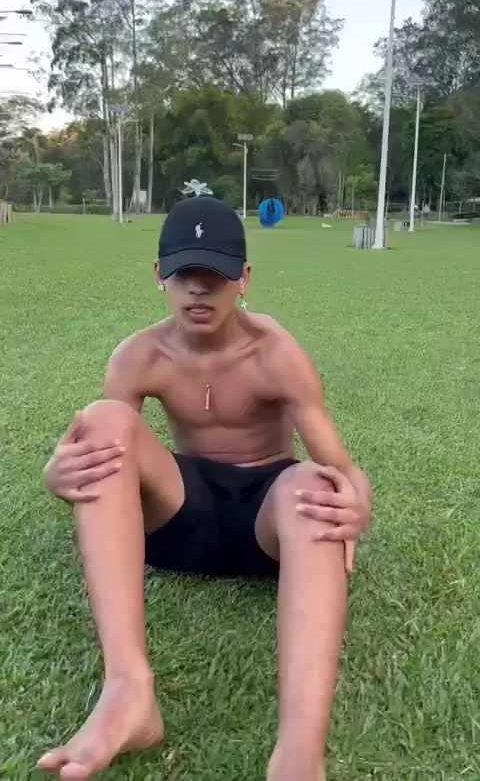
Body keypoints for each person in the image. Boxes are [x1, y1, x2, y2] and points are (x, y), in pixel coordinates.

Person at [38, 197, 372, 781]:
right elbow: (109, 464)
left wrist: (356, 502)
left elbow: (343, 469)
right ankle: (128, 691)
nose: (198, 289)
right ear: (160, 276)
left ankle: (299, 755)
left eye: (214, 274)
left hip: (266, 523)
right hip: (181, 516)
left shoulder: (276, 353)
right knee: (103, 419)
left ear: (243, 279)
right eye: (184, 273)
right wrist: (55, 476)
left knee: (312, 485)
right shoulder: (140, 355)